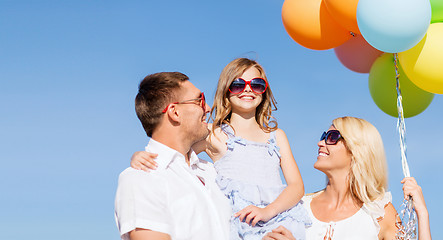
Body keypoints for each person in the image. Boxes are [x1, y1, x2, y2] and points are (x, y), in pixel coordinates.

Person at [130, 58, 311, 240]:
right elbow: (175, 151)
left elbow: (296, 186)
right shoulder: (213, 133)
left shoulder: (276, 136)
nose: (248, 89)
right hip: (240, 221)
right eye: (238, 84)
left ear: (264, 91)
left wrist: (267, 211)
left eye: (256, 84)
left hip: (277, 216)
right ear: (226, 90)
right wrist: (141, 155)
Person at [262, 117, 432, 240]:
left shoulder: (379, 212)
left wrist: (422, 214)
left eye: (332, 137)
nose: (320, 143)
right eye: (323, 136)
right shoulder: (298, 207)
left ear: (357, 150)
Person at [114, 72, 231, 240]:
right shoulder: (141, 178)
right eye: (200, 100)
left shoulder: (212, 171)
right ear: (175, 112)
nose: (208, 108)